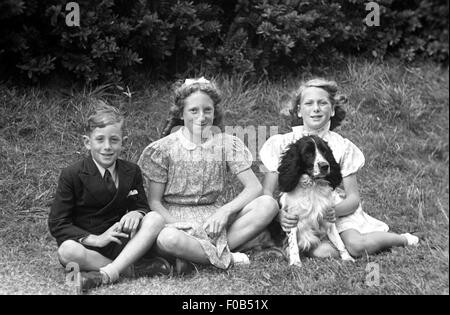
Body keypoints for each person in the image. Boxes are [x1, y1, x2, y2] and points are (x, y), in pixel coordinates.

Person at [258, 78, 419, 259]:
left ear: (333, 109)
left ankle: (402, 239)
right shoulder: (281, 143)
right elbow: (267, 193)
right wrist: (279, 215)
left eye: (323, 103)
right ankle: (329, 244)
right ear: (298, 110)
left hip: (333, 209)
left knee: (357, 246)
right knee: (323, 252)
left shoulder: (342, 146)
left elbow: (353, 198)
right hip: (301, 212)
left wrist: (334, 212)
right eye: (309, 103)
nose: (316, 108)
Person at [137, 77, 278, 271]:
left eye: (207, 110)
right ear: (180, 113)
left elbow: (254, 187)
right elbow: (154, 202)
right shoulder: (163, 149)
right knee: (167, 239)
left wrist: (224, 211)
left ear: (215, 112)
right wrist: (181, 226)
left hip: (214, 218)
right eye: (193, 110)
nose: (201, 117)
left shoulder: (226, 143)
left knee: (268, 204)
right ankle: (227, 257)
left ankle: (196, 257)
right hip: (176, 220)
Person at [48, 101, 168, 294]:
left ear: (123, 141)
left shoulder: (131, 170)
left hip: (122, 243)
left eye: (114, 140)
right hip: (91, 247)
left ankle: (108, 273)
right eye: (100, 140)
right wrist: (95, 239)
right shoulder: (72, 174)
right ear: (88, 142)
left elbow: (143, 205)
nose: (107, 147)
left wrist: (137, 213)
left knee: (155, 218)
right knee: (66, 251)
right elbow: (57, 222)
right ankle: (134, 268)